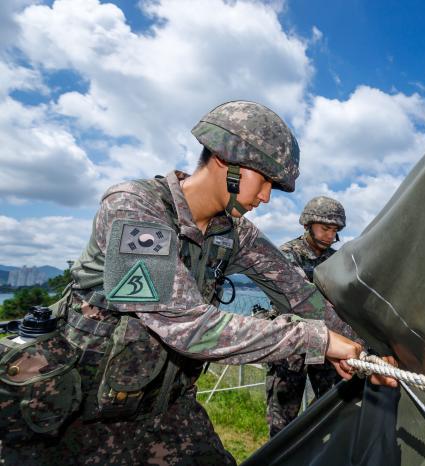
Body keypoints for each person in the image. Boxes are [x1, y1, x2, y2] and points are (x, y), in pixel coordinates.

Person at [0, 101, 395, 465]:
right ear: (228, 162)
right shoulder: (136, 209)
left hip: (165, 410)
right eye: (266, 181)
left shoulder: (233, 232)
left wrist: (365, 351)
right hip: (76, 420)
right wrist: (316, 341)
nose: (267, 197)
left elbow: (300, 294)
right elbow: (186, 325)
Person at [266, 196, 347, 437]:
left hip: (325, 342)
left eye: (335, 230)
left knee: (330, 407)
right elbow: (296, 299)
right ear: (308, 225)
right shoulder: (287, 254)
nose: (330, 235)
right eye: (325, 228)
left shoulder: (337, 260)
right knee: (283, 417)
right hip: (292, 342)